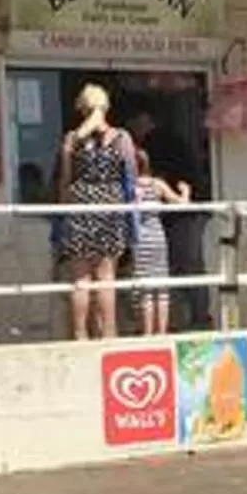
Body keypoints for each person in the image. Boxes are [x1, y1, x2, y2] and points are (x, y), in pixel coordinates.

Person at [52, 82, 138, 341]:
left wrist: (63, 209)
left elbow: (65, 179)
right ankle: (109, 332)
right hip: (110, 205)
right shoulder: (121, 137)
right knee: (106, 275)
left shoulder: (71, 139)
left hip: (80, 205)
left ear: (82, 108)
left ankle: (80, 334)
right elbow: (130, 175)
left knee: (80, 277)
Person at [129, 147, 189, 336]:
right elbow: (181, 204)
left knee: (145, 288)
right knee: (161, 285)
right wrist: (186, 191)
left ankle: (147, 332)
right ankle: (162, 331)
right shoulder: (158, 185)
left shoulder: (130, 187)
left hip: (139, 239)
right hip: (157, 237)